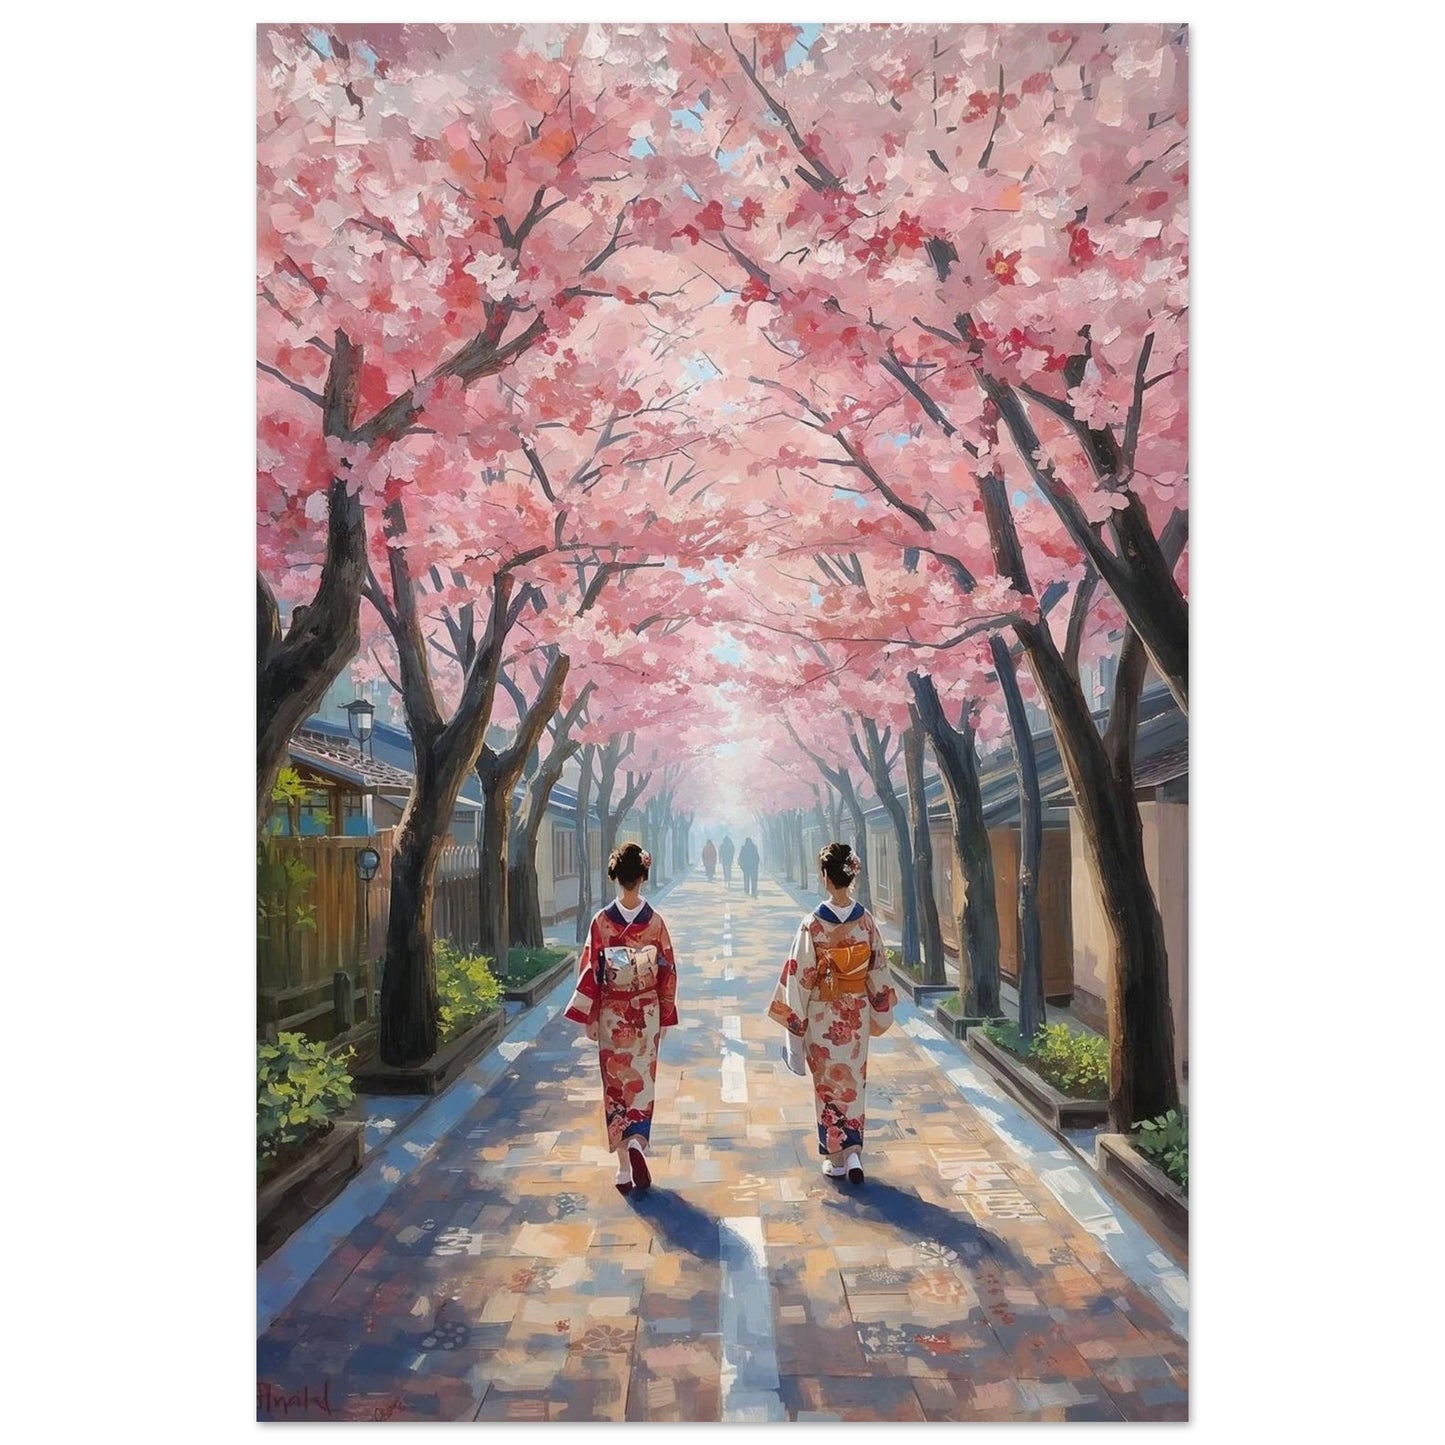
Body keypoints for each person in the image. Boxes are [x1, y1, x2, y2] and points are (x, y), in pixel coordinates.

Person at [768, 841, 895, 1185]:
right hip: (855, 1016)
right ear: (850, 875)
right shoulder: (866, 922)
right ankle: (854, 1152)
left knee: (827, 1085)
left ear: (825, 877)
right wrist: (879, 1012)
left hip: (824, 1017)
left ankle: (837, 1158)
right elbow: (878, 970)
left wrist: (794, 1033)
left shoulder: (812, 925)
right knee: (853, 1081)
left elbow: (798, 980)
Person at [564, 842, 679, 1194]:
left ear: (615, 876)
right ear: (643, 876)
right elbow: (668, 972)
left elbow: (590, 971)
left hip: (613, 1014)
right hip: (645, 1013)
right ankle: (637, 1142)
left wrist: (590, 1015)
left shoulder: (601, 922)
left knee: (615, 1086)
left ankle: (624, 1168)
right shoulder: (655, 924)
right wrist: (665, 1012)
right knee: (642, 1083)